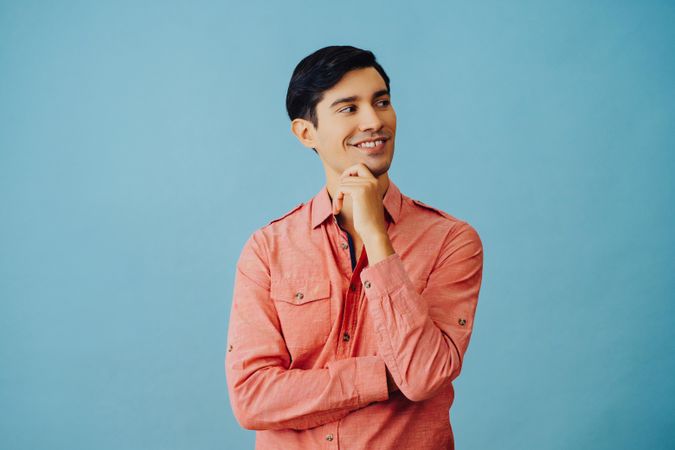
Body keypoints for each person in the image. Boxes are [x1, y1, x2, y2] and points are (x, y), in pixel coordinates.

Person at [225, 45, 484, 449]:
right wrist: (380, 378)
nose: (374, 121)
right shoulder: (267, 250)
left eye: (382, 102)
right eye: (348, 108)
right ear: (305, 132)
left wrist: (377, 238)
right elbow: (251, 399)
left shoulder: (451, 241)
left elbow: (422, 377)